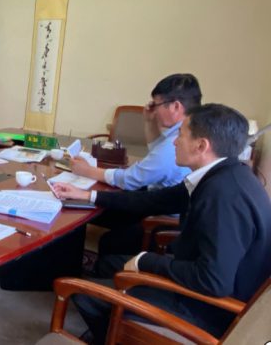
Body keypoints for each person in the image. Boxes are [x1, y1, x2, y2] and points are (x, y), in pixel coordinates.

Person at [54, 104, 271, 343]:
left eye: (181, 135)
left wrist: (147, 261)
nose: (174, 142)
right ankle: (110, 328)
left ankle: (117, 334)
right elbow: (153, 200)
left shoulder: (223, 196)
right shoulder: (225, 174)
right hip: (204, 283)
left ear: (201, 146)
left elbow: (213, 281)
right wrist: (88, 196)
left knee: (81, 293)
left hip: (208, 309)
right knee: (109, 264)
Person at [71, 73, 201, 190]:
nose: (155, 110)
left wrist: (88, 171)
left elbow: (131, 179)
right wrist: (150, 122)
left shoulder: (174, 145)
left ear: (176, 106)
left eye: (157, 105)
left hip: (158, 206)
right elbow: (157, 151)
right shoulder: (191, 131)